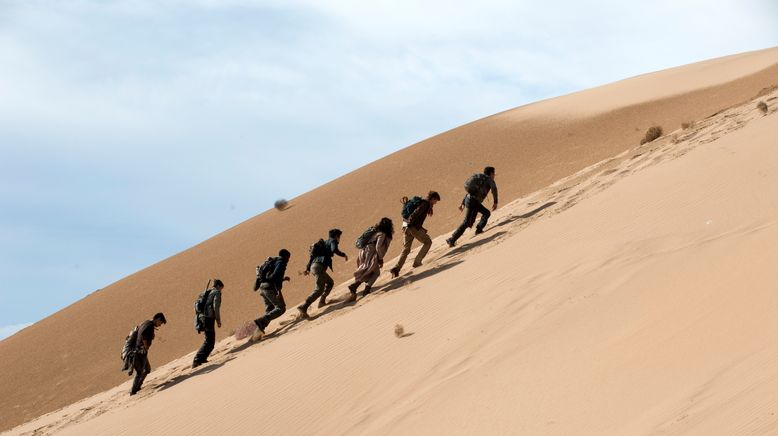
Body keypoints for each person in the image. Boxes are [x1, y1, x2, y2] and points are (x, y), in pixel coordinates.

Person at [297, 229, 349, 318]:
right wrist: (343, 255)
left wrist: (307, 269)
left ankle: (321, 301)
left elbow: (312, 257)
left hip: (314, 266)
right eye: (339, 237)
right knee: (319, 289)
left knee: (330, 283)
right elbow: (334, 249)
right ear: (337, 236)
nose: (339, 239)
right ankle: (304, 306)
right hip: (319, 267)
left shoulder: (324, 243)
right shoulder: (333, 241)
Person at [389, 191, 440, 278]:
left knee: (406, 249)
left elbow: (415, 216)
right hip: (411, 227)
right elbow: (415, 213)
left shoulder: (422, 203)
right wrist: (411, 224)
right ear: (432, 199)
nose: (435, 203)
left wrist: (418, 227)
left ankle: (396, 268)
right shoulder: (425, 204)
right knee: (428, 242)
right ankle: (417, 262)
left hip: (405, 225)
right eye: (435, 201)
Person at [446, 166, 498, 247]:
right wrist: (495, 202)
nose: (494, 175)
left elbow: (469, 192)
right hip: (474, 202)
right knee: (467, 221)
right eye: (494, 173)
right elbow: (494, 190)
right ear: (491, 173)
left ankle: (478, 229)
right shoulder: (489, 180)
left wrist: (462, 203)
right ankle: (452, 239)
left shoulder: (480, 179)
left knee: (484, 214)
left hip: (469, 200)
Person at [347, 217, 394, 301]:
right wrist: (380, 258)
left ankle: (361, 287)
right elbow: (378, 246)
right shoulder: (382, 234)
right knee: (375, 272)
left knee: (366, 270)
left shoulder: (375, 231)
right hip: (370, 252)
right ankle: (360, 287)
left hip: (363, 251)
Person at [251, 249, 291, 341]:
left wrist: (283, 278)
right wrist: (278, 291)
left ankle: (258, 331)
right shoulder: (281, 262)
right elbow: (275, 277)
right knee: (281, 308)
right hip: (269, 288)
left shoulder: (274, 261)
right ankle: (260, 322)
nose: (289, 260)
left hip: (262, 287)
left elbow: (272, 276)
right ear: (286, 256)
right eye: (289, 258)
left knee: (270, 309)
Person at [130, 312, 167, 396]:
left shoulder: (147, 322)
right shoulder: (149, 325)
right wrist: (146, 346)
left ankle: (138, 386)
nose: (160, 325)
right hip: (140, 351)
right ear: (157, 319)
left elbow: (142, 332)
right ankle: (133, 391)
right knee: (140, 371)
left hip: (139, 350)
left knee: (147, 369)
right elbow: (143, 334)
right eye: (160, 323)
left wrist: (151, 336)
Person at [192, 279, 224, 368]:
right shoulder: (216, 293)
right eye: (221, 288)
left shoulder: (206, 292)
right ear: (218, 286)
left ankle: (202, 358)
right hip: (208, 318)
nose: (221, 290)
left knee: (209, 339)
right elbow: (216, 307)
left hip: (202, 318)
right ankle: (197, 359)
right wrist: (218, 320)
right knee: (209, 340)